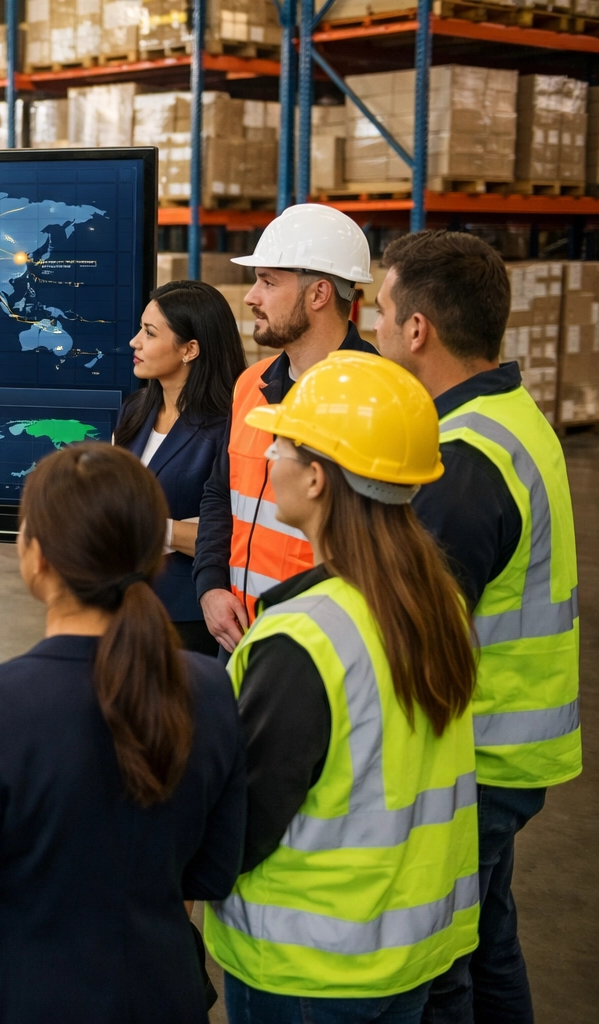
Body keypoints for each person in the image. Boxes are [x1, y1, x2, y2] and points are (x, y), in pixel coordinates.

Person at [0, 442, 246, 1022]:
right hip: (158, 994)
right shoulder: (210, 689)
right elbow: (214, 870)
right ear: (152, 556)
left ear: (34, 557)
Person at [205, 351, 481, 1023]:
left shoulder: (304, 638)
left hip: (308, 969)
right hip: (404, 951)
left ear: (319, 478)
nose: (267, 454)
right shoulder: (433, 598)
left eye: (282, 444)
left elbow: (245, 825)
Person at [372, 230, 581, 1024]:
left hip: (481, 750)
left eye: (385, 315)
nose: (379, 332)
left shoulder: (460, 458)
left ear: (418, 330)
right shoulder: (512, 414)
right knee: (489, 938)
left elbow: (413, 629)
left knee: (444, 961)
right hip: (517, 744)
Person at [193, 204, 378, 653]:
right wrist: (211, 586)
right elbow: (221, 493)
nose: (251, 296)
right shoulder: (249, 385)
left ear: (318, 294)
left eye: (268, 282)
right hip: (236, 633)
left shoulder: (374, 398)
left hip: (319, 644)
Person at [115, 280, 247, 656]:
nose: (134, 342)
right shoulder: (135, 410)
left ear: (190, 349)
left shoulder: (230, 424)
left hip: (188, 617)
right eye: (141, 328)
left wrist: (157, 529)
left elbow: (237, 528)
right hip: (126, 602)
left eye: (149, 333)